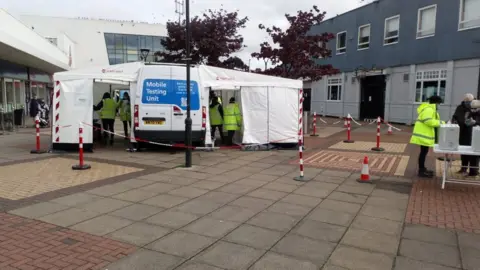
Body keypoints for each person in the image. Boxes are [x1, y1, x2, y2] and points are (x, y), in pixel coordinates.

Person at [410, 95, 445, 178]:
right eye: (439, 103)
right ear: (436, 103)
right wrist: (441, 123)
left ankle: (422, 169)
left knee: (424, 152)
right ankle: (421, 171)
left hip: (424, 134)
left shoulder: (430, 109)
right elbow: (428, 121)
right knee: (423, 153)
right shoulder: (429, 109)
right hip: (424, 135)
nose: (439, 105)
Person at [452, 93, 476, 175]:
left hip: (474, 133)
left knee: (474, 152)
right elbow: (455, 117)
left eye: (470, 101)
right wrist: (454, 121)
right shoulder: (460, 107)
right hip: (463, 132)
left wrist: (474, 122)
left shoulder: (476, 108)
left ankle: (473, 171)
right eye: (467, 101)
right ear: (464, 101)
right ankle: (463, 168)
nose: (468, 103)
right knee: (463, 151)